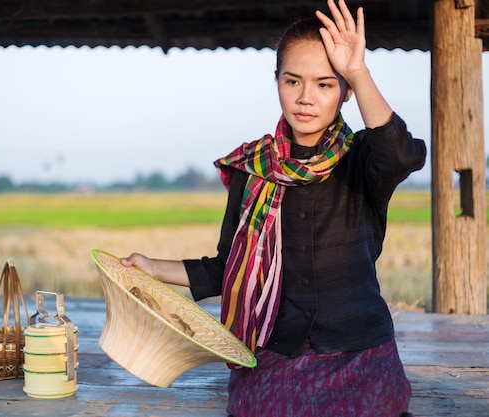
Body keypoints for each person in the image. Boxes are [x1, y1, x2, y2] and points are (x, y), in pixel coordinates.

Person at [121, 0, 426, 415]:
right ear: (277, 81)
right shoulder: (251, 169)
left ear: (346, 92)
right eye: (293, 81)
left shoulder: (362, 161)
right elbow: (227, 268)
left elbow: (401, 155)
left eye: (325, 84)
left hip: (359, 353)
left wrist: (358, 69)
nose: (305, 98)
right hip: (273, 353)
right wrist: (152, 268)